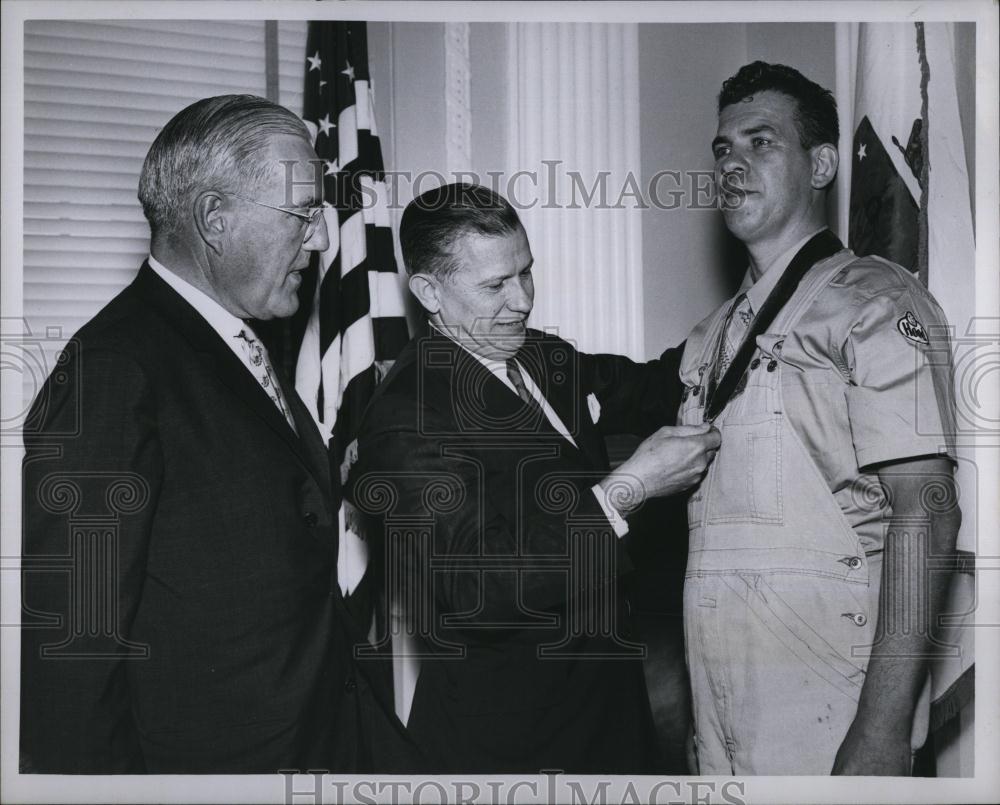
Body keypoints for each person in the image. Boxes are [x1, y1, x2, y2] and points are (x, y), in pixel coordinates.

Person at [20, 94, 407, 773]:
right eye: (304, 213)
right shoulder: (115, 370)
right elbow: (74, 656)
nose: (320, 240)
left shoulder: (243, 344)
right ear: (214, 219)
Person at [347, 182, 720, 773]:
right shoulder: (404, 418)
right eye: (495, 285)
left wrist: (744, 316)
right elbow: (476, 587)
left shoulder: (542, 357)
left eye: (526, 273)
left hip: (611, 716)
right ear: (428, 292)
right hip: (514, 745)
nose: (521, 299)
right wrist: (630, 486)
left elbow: (656, 386)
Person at [678, 62, 960, 775]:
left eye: (761, 142)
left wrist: (882, 730)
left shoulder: (875, 305)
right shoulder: (707, 339)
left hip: (835, 710)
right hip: (725, 716)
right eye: (722, 150)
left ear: (823, 163)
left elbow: (927, 511)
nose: (733, 165)